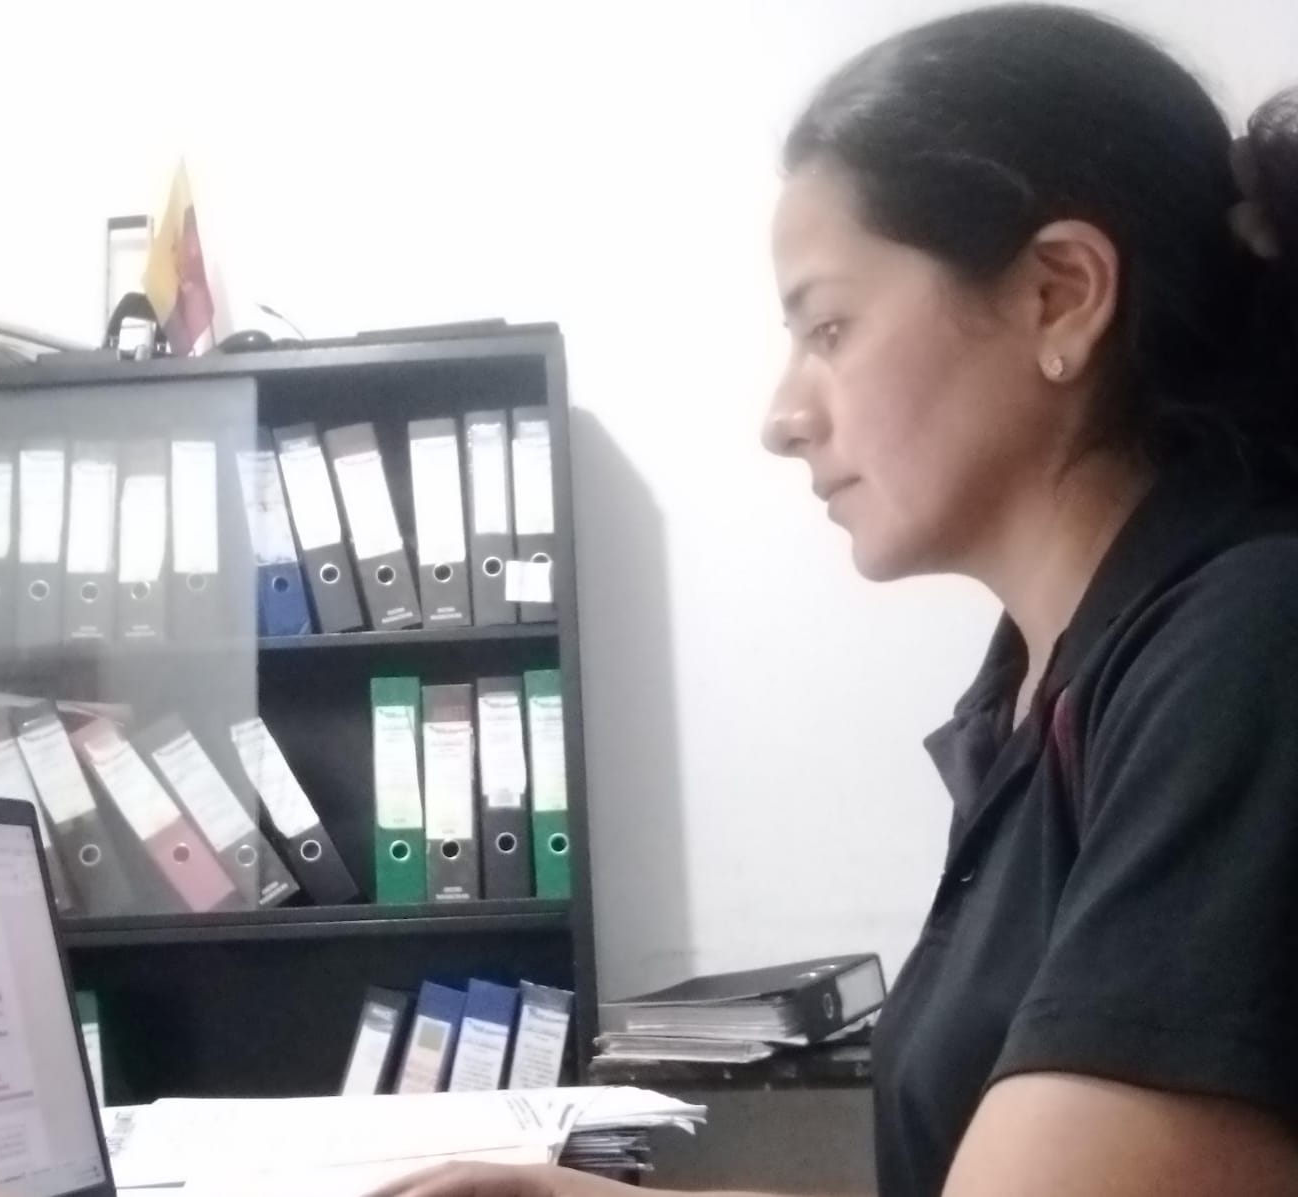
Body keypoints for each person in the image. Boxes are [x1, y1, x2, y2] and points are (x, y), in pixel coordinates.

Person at [369, 4, 1298, 1197]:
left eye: (831, 327)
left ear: (1059, 293)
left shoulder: (1246, 649)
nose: (782, 416)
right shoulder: (1037, 686)